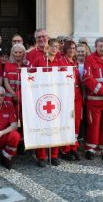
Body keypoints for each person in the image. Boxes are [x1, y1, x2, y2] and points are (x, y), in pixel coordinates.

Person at [32, 38, 63, 167]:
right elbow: (31, 75)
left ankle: (54, 155)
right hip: (41, 97)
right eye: (52, 46)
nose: (54, 48)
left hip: (55, 98)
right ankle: (41, 156)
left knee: (55, 126)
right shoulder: (40, 60)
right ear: (47, 47)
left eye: (57, 46)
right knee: (42, 127)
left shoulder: (60, 61)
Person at [59, 41, 83, 160]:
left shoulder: (76, 62)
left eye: (74, 48)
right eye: (69, 48)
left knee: (76, 122)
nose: (72, 50)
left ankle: (74, 145)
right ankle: (65, 148)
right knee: (66, 121)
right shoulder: (61, 61)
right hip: (65, 95)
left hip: (77, 95)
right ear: (65, 49)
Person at [3, 43, 30, 151]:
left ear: (24, 53)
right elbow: (5, 81)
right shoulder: (8, 65)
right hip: (10, 98)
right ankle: (13, 143)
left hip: (24, 98)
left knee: (24, 120)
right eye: (15, 52)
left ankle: (23, 143)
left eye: (20, 52)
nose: (18, 54)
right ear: (12, 53)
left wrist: (20, 95)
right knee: (12, 120)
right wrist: (14, 94)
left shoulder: (27, 65)